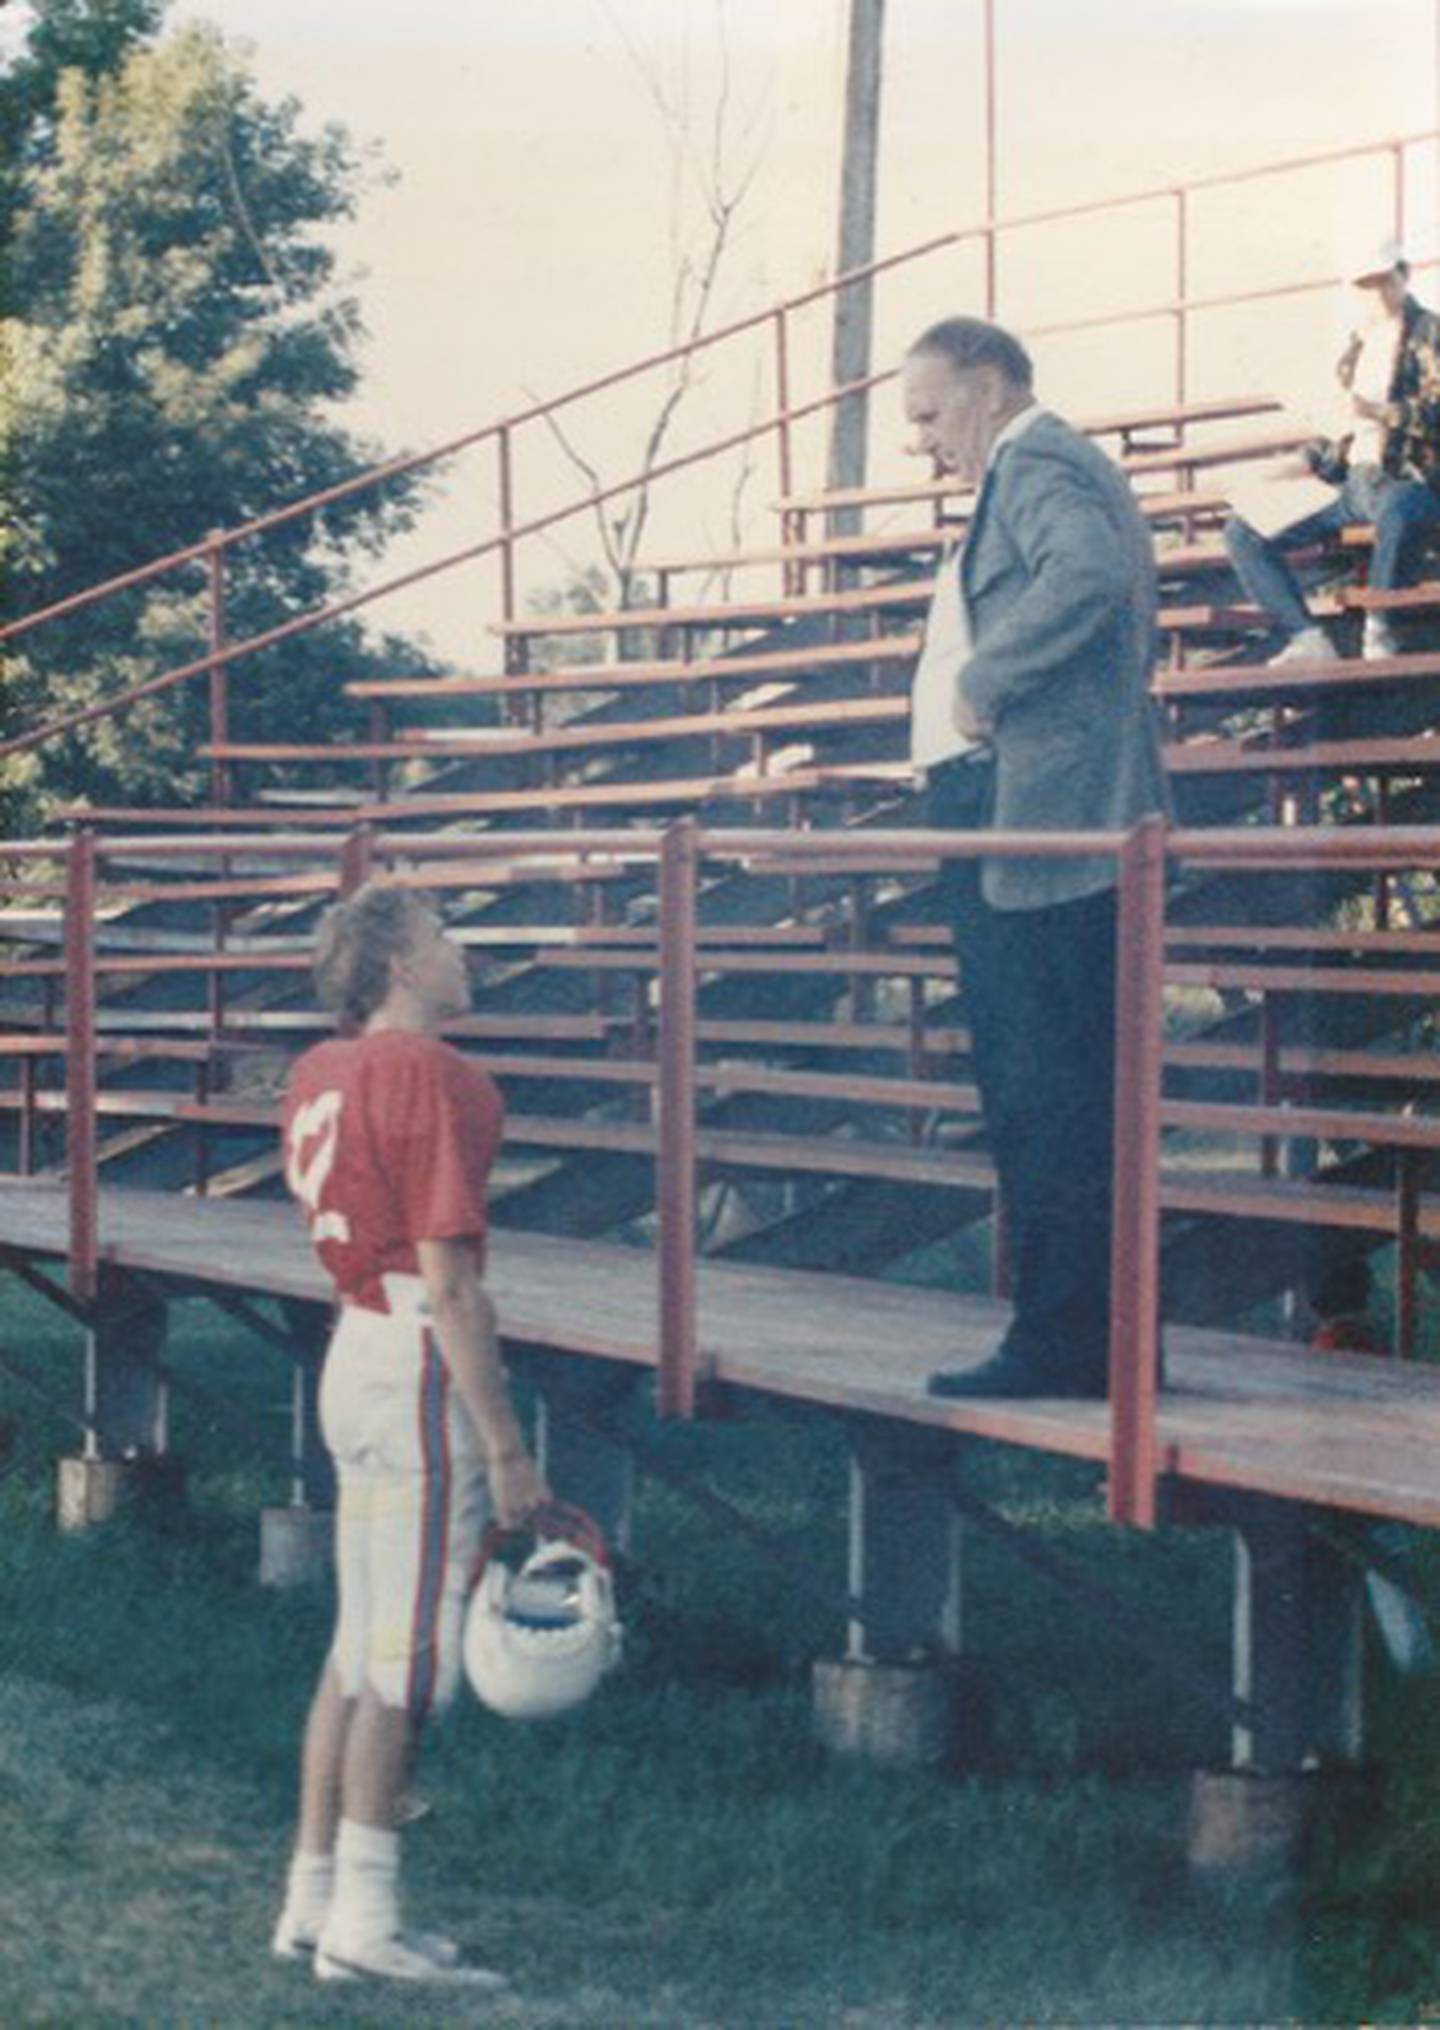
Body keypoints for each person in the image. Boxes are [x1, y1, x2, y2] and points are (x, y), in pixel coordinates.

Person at [271, 881, 547, 1987]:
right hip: (418, 1357)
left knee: (355, 1645)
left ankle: (312, 1897)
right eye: (440, 935)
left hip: (353, 1346)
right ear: (393, 962)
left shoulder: (317, 1069)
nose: (461, 950)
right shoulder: (434, 1074)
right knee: (407, 1662)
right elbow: (453, 1282)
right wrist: (506, 1442)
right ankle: (366, 1921)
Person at [904, 315, 1170, 1400]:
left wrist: (985, 679)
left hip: (1035, 818)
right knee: (1048, 1090)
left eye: (929, 413)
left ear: (991, 382)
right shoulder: (1024, 465)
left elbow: (1089, 571)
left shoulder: (1040, 454)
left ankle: (1066, 1341)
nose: (922, 442)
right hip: (1018, 812)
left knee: (1044, 1089)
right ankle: (1092, 1337)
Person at [1223, 239, 1440, 666]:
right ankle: (1304, 634)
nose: (1376, 294)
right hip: (1349, 482)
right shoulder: (1354, 348)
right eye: (1366, 285)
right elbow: (1338, 429)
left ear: (1404, 275)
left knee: (1403, 506)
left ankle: (1382, 624)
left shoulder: (1430, 332)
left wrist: (1377, 411)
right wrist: (1302, 462)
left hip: (1403, 475)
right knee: (1242, 529)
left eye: (1384, 281)